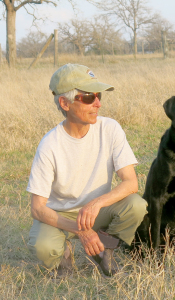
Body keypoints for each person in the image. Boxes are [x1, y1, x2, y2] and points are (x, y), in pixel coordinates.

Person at [27, 63, 147, 278]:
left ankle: (104, 252)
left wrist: (96, 203)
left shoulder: (110, 128)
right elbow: (37, 209)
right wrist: (81, 230)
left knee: (136, 205)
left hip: (96, 212)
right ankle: (64, 255)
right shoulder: (49, 145)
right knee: (44, 247)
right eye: (89, 98)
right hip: (60, 215)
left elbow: (131, 183)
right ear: (65, 103)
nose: (98, 104)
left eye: (98, 95)